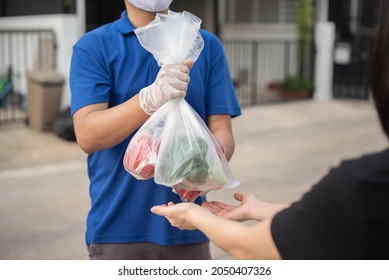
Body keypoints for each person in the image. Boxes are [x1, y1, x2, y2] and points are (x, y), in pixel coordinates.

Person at [151, 0, 389, 260]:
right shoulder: (366, 189)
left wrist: (195, 214)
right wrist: (258, 209)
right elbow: (329, 223)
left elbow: (252, 247)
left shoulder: (364, 186)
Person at [69, 0, 241, 260]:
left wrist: (205, 168)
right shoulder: (94, 46)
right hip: (117, 226)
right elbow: (88, 135)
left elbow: (221, 130)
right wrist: (149, 99)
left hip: (190, 226)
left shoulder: (204, 45)